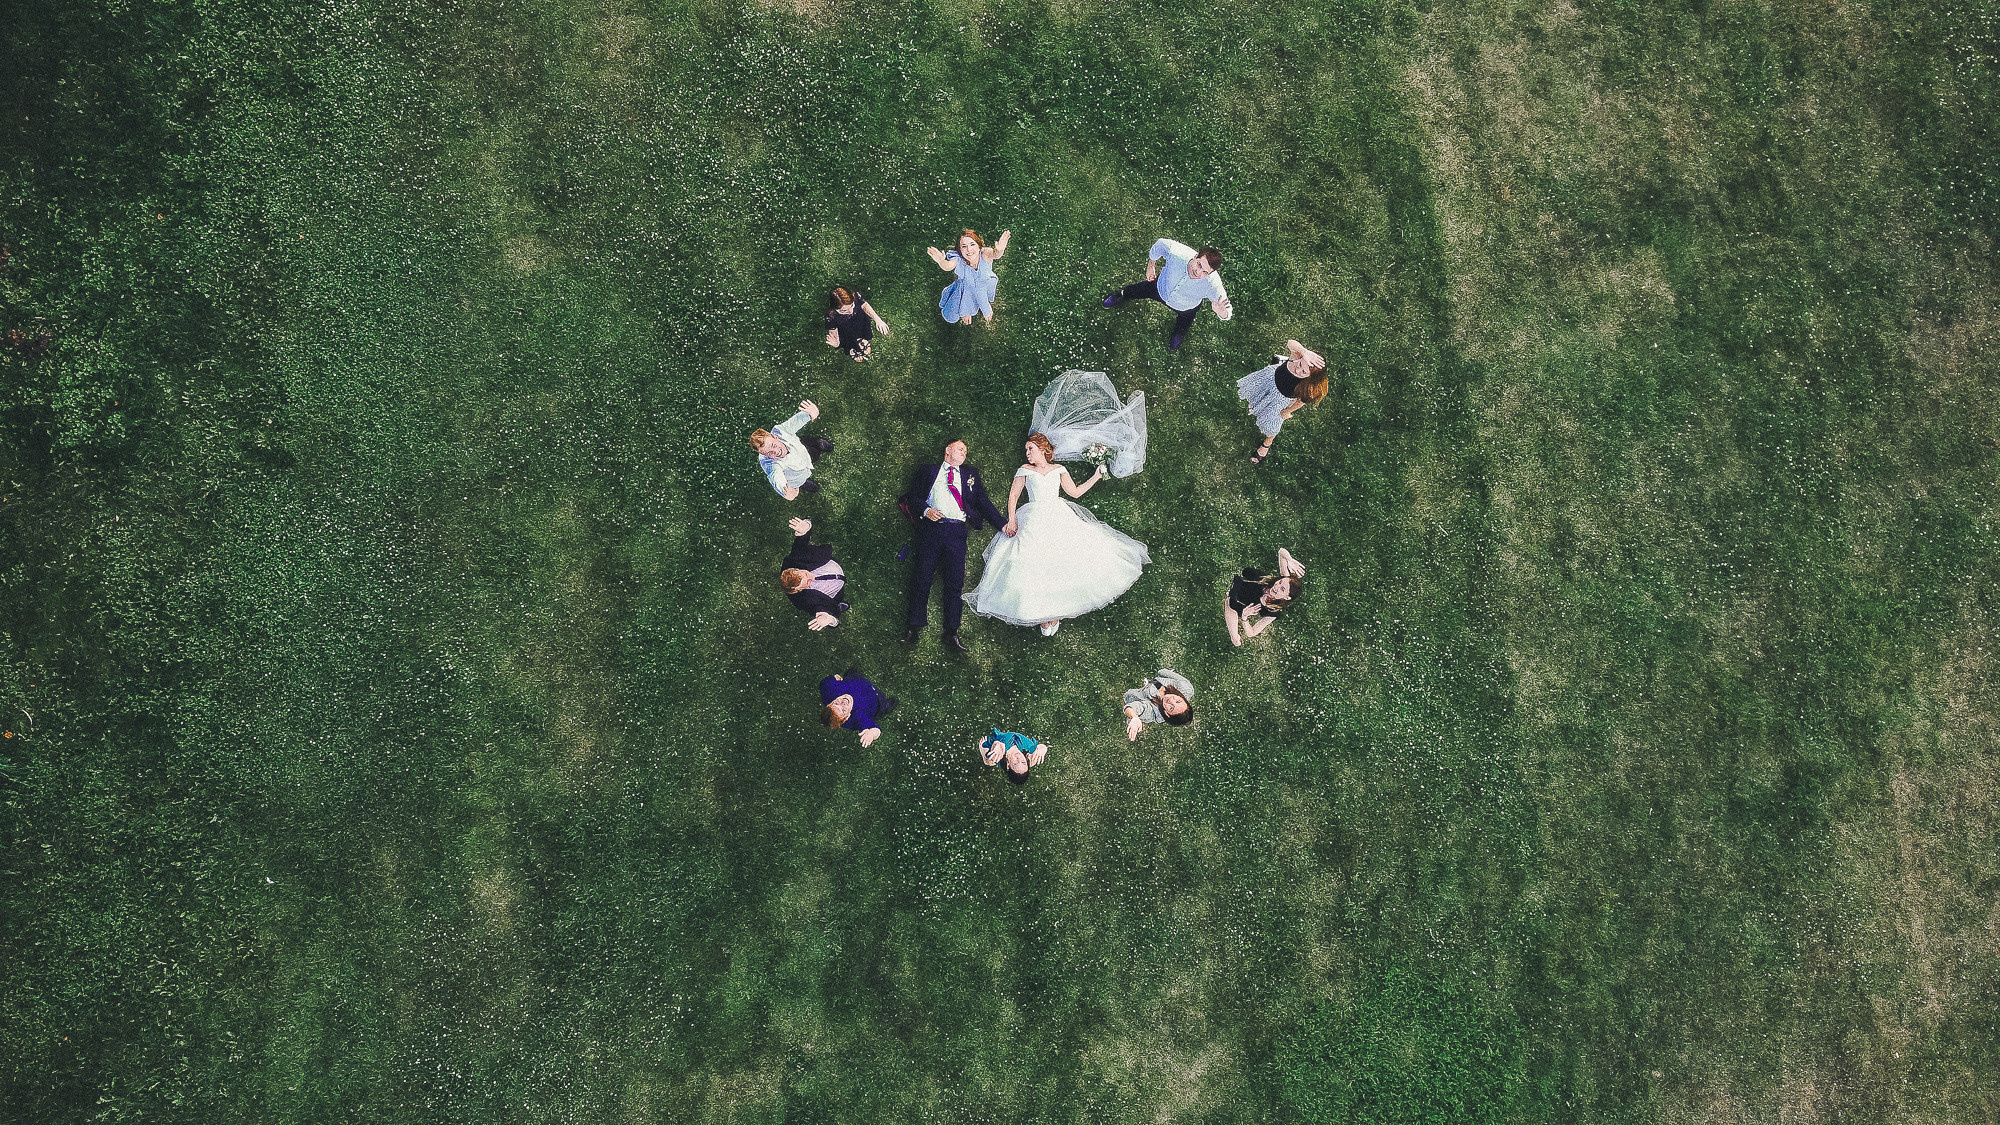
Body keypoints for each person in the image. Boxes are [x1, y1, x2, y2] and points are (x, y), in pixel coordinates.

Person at [965, 433, 1149, 636]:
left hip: (1057, 514)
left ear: (1043, 449)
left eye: (1031, 449)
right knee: (1034, 561)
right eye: (1026, 449)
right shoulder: (1025, 470)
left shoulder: (1059, 469)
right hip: (1033, 516)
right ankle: (1044, 615)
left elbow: (1075, 492)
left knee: (1062, 559)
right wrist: (1011, 519)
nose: (1027, 453)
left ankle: (1056, 612)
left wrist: (1096, 476)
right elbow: (1014, 495)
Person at [899, 439, 1012, 652]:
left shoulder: (970, 474)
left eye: (966, 451)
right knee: (922, 578)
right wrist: (926, 510)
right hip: (931, 529)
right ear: (948, 451)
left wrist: (1002, 525)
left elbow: (983, 502)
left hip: (956, 532)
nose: (964, 453)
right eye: (961, 449)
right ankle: (913, 627)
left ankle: (951, 632)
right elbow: (912, 497)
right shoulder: (928, 471)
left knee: (954, 583)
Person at [1101, 238, 1233, 350]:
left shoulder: (1213, 284)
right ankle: (1121, 295)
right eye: (1198, 265)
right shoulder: (1175, 252)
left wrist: (1221, 312)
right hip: (1159, 288)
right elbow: (1159, 244)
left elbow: (1227, 311)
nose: (1198, 272)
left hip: (1185, 307)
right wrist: (1151, 264)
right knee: (1136, 290)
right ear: (1195, 256)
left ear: (1210, 274)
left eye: (1205, 272)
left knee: (1185, 322)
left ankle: (1178, 334)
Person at [1238, 340, 1329, 464]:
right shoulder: (1296, 357)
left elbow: (1300, 402)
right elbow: (1290, 343)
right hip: (1269, 380)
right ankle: (1257, 405)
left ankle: (1267, 443)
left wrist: (1286, 411)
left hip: (1279, 399)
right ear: (1301, 358)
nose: (1298, 370)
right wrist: (1304, 352)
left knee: (1272, 425)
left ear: (1310, 377)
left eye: (1304, 372)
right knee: (1256, 396)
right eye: (1301, 364)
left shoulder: (1308, 387)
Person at [927, 228, 1011, 325]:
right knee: (950, 316)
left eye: (972, 244)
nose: (969, 250)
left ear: (979, 246)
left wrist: (1000, 250)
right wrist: (941, 261)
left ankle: (970, 307)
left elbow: (995, 254)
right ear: (960, 250)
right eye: (964, 246)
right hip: (965, 287)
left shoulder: (985, 253)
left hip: (984, 284)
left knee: (980, 295)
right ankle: (962, 306)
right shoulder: (959, 259)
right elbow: (948, 266)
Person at [749, 400, 831, 499]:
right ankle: (804, 483)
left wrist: (810, 414)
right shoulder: (769, 463)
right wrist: (785, 492)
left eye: (773, 445)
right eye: (769, 453)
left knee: (815, 451)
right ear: (765, 455)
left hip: (802, 450)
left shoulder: (780, 431)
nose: (776, 452)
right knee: (802, 481)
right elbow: (776, 477)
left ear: (775, 437)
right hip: (796, 476)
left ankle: (820, 444)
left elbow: (796, 421)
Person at [1225, 548, 1306, 646]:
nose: (1276, 587)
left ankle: (1234, 634)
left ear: (1286, 597)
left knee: (1231, 604)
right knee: (1246, 572)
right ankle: (1232, 595)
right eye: (1280, 582)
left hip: (1247, 599)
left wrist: (1245, 617)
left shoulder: (1273, 612)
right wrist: (1289, 560)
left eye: (1282, 589)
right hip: (1252, 582)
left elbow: (1251, 632)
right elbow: (1281, 551)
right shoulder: (1286, 579)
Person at [778, 517, 848, 631]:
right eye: (807, 583)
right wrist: (830, 619)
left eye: (805, 574)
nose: (811, 577)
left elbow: (801, 541)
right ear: (798, 590)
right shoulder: (804, 600)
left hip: (829, 564)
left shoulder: (795, 559)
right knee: (831, 604)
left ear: (797, 569)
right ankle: (837, 606)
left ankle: (835, 605)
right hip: (834, 591)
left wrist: (805, 527)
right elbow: (818, 609)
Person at [821, 667, 895, 747]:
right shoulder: (857, 716)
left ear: (830, 703)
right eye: (843, 710)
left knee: (852, 673)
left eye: (836, 703)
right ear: (847, 717)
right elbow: (876, 729)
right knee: (883, 707)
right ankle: (886, 707)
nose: (843, 702)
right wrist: (871, 734)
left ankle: (852, 671)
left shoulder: (830, 690)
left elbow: (824, 683)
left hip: (855, 679)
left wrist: (835, 677)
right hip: (876, 700)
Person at [1122, 669, 1195, 740]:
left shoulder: (1152, 711)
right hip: (1157, 682)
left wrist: (1134, 717)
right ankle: (1151, 682)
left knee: (1128, 698)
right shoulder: (1187, 688)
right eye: (1178, 701)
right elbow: (1162, 671)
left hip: (1134, 696)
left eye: (1171, 708)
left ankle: (1138, 720)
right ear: (1183, 699)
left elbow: (1130, 707)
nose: (1171, 701)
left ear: (1167, 714)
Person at [823, 286, 890, 361]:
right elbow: (834, 336)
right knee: (847, 341)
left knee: (865, 330)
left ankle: (863, 341)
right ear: (835, 309)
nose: (850, 311)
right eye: (844, 311)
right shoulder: (831, 316)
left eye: (851, 306)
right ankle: (852, 350)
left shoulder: (855, 296)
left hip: (860, 320)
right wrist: (837, 344)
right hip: (846, 330)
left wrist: (878, 320)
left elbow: (864, 305)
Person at [978, 728, 1047, 785]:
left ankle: (984, 756)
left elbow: (997, 745)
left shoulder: (1000, 755)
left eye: (1015, 763)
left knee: (989, 761)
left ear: (1008, 765)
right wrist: (1042, 750)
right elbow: (1042, 746)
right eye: (1023, 762)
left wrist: (997, 745)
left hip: (1000, 745)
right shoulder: (1030, 753)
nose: (1019, 758)